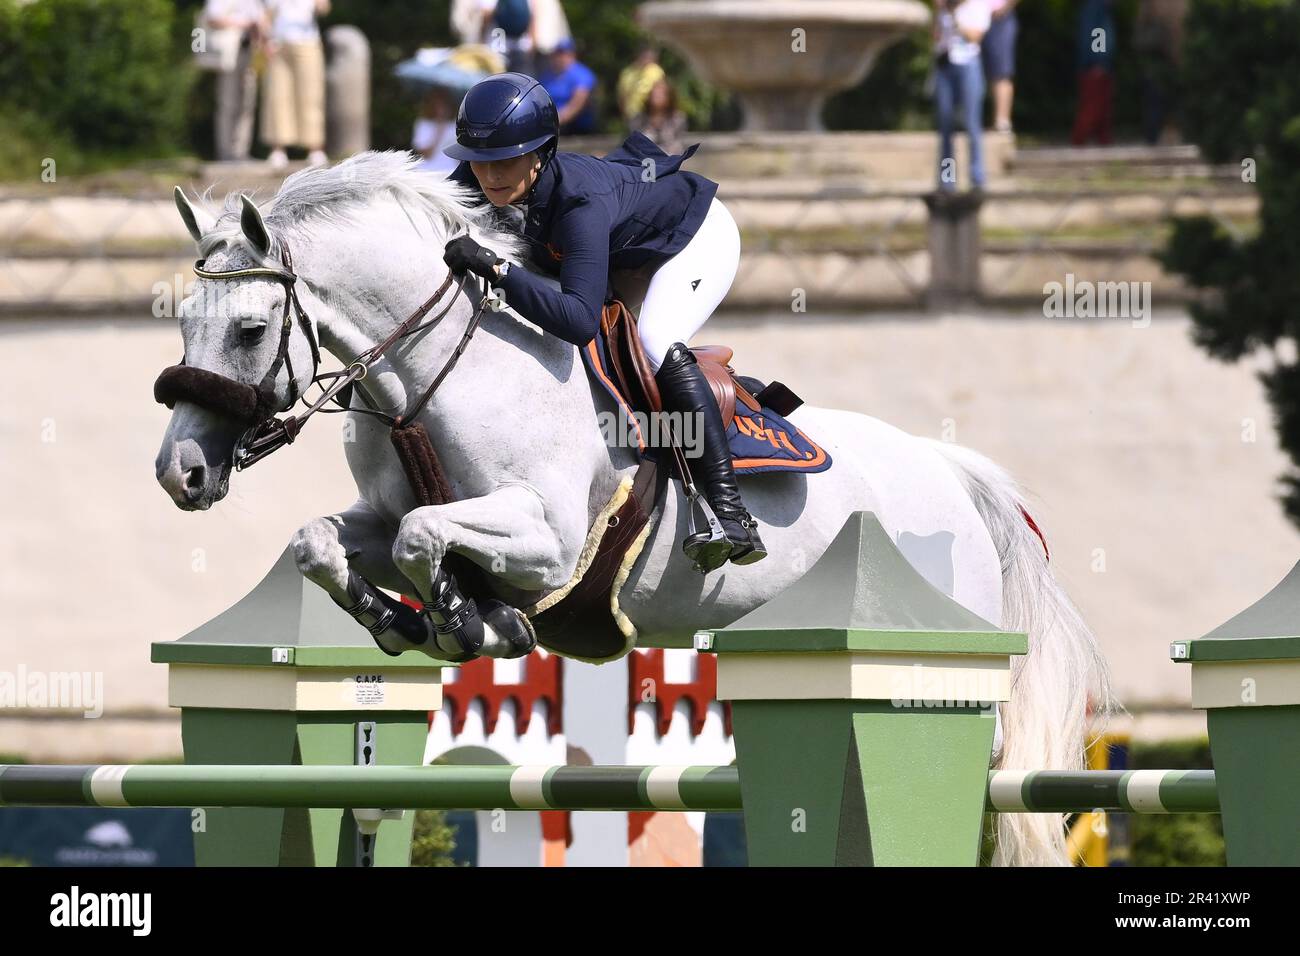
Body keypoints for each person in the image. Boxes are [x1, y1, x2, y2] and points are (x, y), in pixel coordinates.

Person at [439, 73, 766, 572]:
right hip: (623, 246)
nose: (489, 176)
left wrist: (496, 268)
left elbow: (578, 321)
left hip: (693, 239)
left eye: (504, 160)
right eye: (478, 161)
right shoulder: (480, 174)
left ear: (540, 154)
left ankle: (730, 511)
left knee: (655, 342)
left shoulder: (579, 205)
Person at [261, 0, 330, 170]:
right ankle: (278, 149)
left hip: (307, 44)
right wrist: (266, 41)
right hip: (279, 46)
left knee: (311, 95)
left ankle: (315, 148)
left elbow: (324, 8)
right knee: (278, 95)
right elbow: (266, 16)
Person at [932, 0, 991, 191]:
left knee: (972, 124)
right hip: (945, 67)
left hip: (967, 65)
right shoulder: (944, 8)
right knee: (945, 126)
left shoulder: (978, 6)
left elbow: (975, 36)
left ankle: (977, 178)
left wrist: (955, 19)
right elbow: (935, 36)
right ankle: (947, 181)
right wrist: (939, 12)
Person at [201, 0, 265, 162]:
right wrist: (242, 23)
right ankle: (225, 153)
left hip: (249, 52)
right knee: (228, 103)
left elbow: (261, 20)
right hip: (229, 54)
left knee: (247, 104)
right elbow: (212, 18)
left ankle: (241, 152)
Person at [1071, 0, 1116, 146]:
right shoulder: (1097, 7)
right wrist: (1099, 62)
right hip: (1095, 67)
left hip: (1096, 65)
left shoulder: (1098, 7)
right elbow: (1097, 33)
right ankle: (1080, 141)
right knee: (1093, 107)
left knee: (1101, 108)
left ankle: (1102, 141)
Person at [538, 37, 596, 135]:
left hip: (574, 124)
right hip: (551, 122)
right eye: (557, 54)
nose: (560, 58)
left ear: (572, 55)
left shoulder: (581, 74)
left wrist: (558, 119)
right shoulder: (547, 75)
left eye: (564, 54)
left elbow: (578, 102)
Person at [982, 0, 1018, 133]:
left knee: (1001, 72)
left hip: (998, 18)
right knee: (986, 72)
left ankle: (1002, 121)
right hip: (974, 16)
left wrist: (1003, 9)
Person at [630, 78, 687, 156]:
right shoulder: (639, 119)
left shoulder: (677, 119)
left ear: (669, 98)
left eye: (661, 94)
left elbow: (677, 145)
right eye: (654, 93)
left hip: (669, 161)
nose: (656, 96)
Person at [412, 89, 460, 176]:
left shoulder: (455, 125)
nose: (440, 110)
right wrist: (438, 132)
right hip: (428, 172)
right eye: (437, 106)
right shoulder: (423, 124)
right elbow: (426, 155)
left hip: (450, 172)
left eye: (444, 106)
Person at [617, 45, 667, 122]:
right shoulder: (627, 73)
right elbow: (622, 96)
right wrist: (624, 114)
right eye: (644, 56)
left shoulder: (657, 72)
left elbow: (663, 94)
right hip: (632, 114)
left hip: (650, 114)